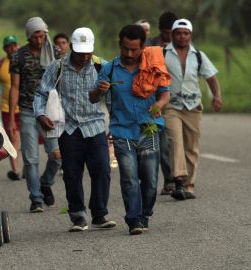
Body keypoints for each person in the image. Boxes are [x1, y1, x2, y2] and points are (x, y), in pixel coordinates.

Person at [91, 25, 170, 235]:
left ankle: (144, 214)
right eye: (125, 48)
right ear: (120, 45)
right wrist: (98, 91)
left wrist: (159, 106)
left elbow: (165, 93)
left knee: (151, 180)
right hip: (121, 131)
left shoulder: (153, 66)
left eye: (134, 49)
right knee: (129, 177)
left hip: (149, 129)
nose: (128, 54)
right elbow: (92, 98)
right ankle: (133, 219)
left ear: (143, 47)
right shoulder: (110, 69)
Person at [35, 27, 116, 231]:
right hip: (69, 129)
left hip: (95, 126)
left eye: (88, 52)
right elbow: (41, 93)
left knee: (102, 170)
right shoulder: (58, 67)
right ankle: (78, 216)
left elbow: (115, 97)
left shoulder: (101, 66)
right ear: (71, 48)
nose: (85, 56)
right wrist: (41, 115)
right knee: (72, 173)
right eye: (80, 52)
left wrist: (115, 123)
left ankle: (99, 214)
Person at [164, 19, 222, 201]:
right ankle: (179, 180)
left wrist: (217, 96)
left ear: (190, 35)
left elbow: (210, 77)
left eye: (186, 33)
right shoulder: (163, 53)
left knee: (192, 147)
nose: (182, 36)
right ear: (172, 35)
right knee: (175, 141)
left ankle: (188, 186)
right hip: (171, 105)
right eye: (178, 33)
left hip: (193, 106)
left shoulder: (198, 55)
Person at [8, 17, 62, 212]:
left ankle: (46, 183)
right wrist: (12, 119)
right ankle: (36, 198)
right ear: (28, 36)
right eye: (35, 37)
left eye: (42, 36)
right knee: (31, 159)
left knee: (56, 155)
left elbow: (61, 81)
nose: (39, 41)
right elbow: (14, 87)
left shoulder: (55, 52)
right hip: (28, 110)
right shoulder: (18, 56)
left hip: (50, 111)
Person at [144, 11, 178, 195]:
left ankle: (177, 177)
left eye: (171, 32)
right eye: (165, 32)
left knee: (176, 142)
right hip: (155, 98)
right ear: (160, 30)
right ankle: (169, 179)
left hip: (177, 99)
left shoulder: (182, 44)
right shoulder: (150, 45)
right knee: (163, 142)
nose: (169, 36)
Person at [0, 34, 22, 181]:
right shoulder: (1, 63)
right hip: (6, 108)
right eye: (9, 46)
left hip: (24, 107)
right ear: (5, 49)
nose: (13, 48)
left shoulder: (24, 61)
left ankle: (25, 168)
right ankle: (15, 170)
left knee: (25, 139)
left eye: (15, 45)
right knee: (13, 137)